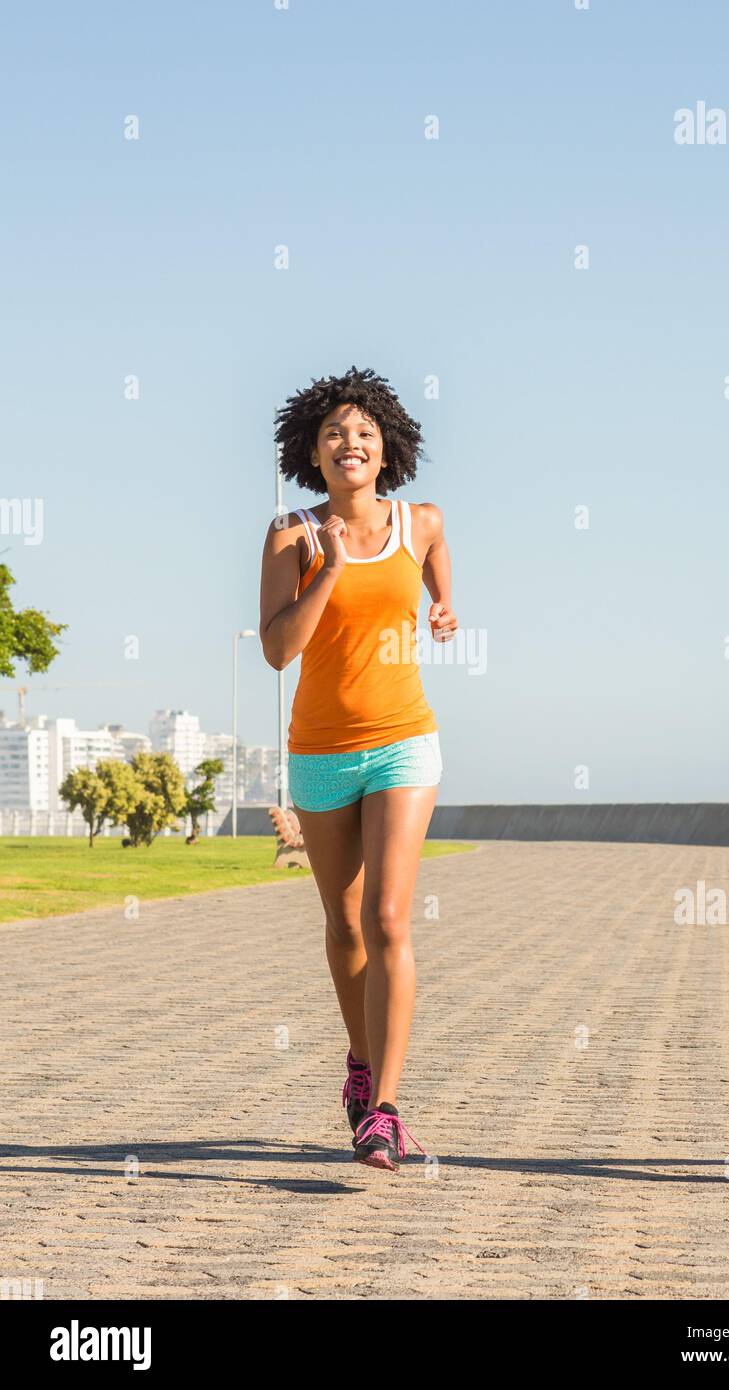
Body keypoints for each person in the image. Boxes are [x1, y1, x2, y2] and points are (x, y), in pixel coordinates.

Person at [259, 365, 458, 1171]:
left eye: (366, 434)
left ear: (387, 452)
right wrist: (332, 568)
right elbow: (277, 650)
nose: (352, 443)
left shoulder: (423, 521)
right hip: (320, 753)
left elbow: (437, 561)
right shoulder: (291, 534)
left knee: (387, 921)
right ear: (313, 450)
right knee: (343, 927)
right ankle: (359, 1061)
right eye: (336, 433)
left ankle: (385, 1110)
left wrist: (446, 604)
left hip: (405, 739)